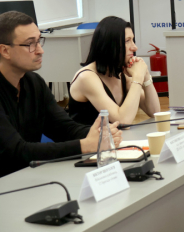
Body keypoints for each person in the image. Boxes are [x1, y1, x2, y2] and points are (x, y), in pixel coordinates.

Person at [0, 11, 122, 178]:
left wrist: (102, 134)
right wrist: (84, 145)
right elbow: (16, 151)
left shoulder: (34, 83)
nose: (40, 50)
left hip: (30, 177)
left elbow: (64, 128)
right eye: (30, 44)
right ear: (5, 51)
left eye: (39, 41)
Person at [69, 16, 161, 125]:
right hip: (89, 136)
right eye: (127, 41)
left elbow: (155, 112)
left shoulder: (120, 73)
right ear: (110, 45)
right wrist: (138, 77)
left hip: (114, 136)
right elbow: (123, 120)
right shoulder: (87, 78)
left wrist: (145, 75)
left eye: (133, 40)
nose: (134, 47)